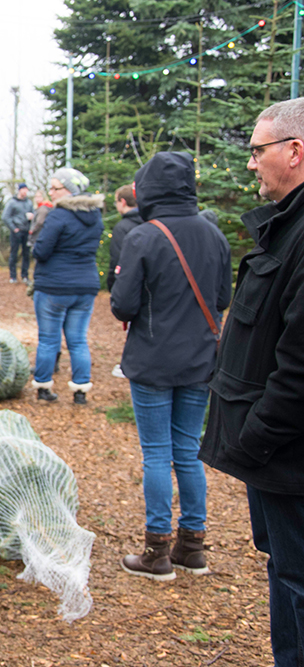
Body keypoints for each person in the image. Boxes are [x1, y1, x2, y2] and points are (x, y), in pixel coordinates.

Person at [199, 99, 304, 667]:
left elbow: (299, 370)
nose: (250, 164)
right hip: (275, 461)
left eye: (257, 151)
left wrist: (254, 438)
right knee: (286, 574)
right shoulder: (286, 227)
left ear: (295, 151)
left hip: (288, 459)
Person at [111, 152, 231, 582]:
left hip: (152, 358)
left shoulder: (143, 236)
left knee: (157, 453)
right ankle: (192, 547)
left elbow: (122, 304)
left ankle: (156, 551)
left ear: (149, 189)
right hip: (201, 358)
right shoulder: (215, 235)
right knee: (187, 450)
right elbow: (220, 299)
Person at [31, 168, 103, 405]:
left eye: (55, 188)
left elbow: (42, 250)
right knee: (78, 339)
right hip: (85, 285)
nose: (51, 192)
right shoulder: (95, 215)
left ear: (69, 190)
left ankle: (43, 387)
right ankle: (80, 391)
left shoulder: (58, 215)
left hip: (54, 285)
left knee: (49, 339)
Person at [107, 184, 144, 292]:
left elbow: (117, 259)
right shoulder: (150, 223)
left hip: (128, 285)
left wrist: (112, 285)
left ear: (122, 202)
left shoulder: (122, 227)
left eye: (116, 202)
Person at [2, 183, 33, 283]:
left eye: (26, 189)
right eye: (23, 189)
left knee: (26, 254)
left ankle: (25, 276)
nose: (25, 191)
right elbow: (5, 217)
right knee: (14, 254)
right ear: (19, 190)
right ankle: (13, 276)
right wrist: (14, 228)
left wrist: (32, 218)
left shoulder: (29, 203)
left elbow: (34, 215)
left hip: (26, 231)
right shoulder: (12, 202)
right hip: (16, 231)